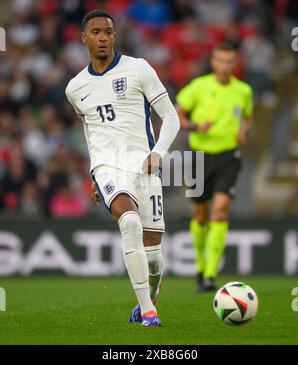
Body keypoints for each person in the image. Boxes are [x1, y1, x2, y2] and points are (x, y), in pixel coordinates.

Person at [65, 10, 180, 326]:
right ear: (84, 37)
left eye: (108, 31)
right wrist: (94, 173)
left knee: (154, 256)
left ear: (115, 36)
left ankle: (150, 295)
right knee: (129, 222)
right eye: (96, 32)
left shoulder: (139, 68)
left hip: (143, 166)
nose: (103, 37)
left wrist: (158, 153)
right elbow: (91, 131)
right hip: (107, 168)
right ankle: (148, 311)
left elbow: (171, 117)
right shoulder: (76, 88)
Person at [175, 43, 253, 292]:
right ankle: (200, 266)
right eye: (220, 60)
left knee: (220, 210)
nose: (225, 66)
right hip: (200, 156)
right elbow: (177, 114)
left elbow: (248, 117)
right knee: (200, 214)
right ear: (212, 61)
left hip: (229, 155)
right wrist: (195, 127)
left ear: (235, 63)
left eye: (229, 61)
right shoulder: (199, 87)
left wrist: (244, 130)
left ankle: (210, 272)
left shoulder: (243, 91)